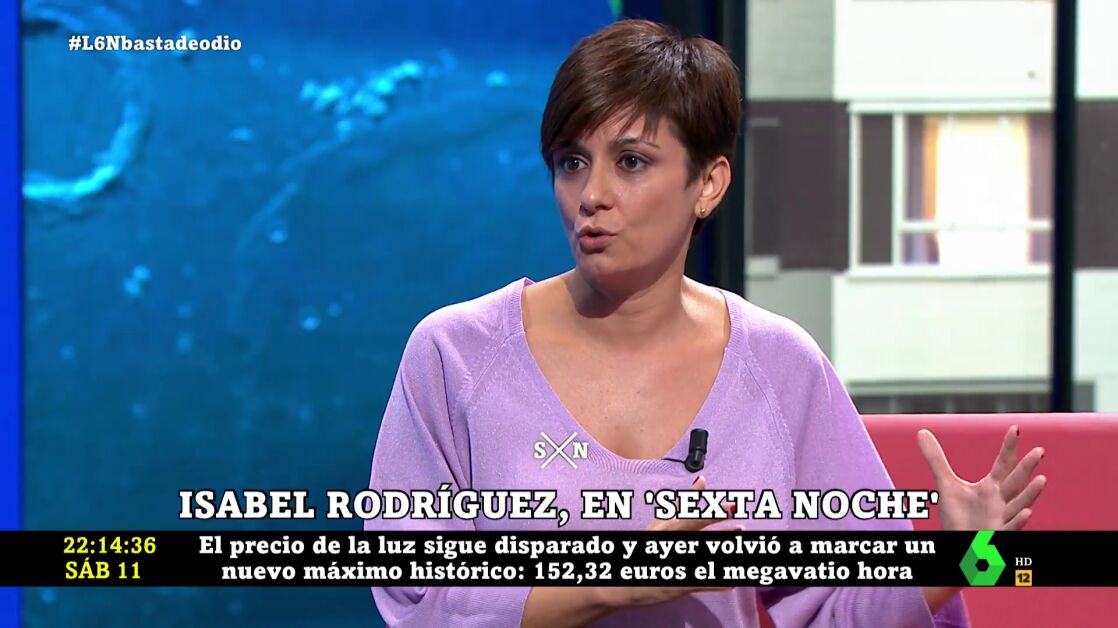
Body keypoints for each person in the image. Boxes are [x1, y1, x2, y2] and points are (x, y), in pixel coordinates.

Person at [364, 18, 1046, 627]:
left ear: (709, 183)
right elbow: (419, 602)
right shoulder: (455, 354)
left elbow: (840, 611)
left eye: (631, 162)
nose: (592, 196)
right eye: (572, 163)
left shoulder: (780, 366)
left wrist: (960, 556)